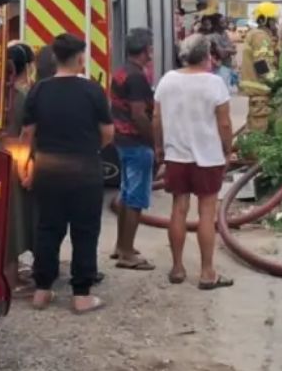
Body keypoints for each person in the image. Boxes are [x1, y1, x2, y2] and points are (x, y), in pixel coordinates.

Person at [20, 34, 114, 313]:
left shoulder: (39, 90)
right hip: (84, 170)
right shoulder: (92, 91)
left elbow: (27, 134)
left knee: (48, 228)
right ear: (81, 58)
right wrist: (89, 147)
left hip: (48, 169)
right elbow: (108, 133)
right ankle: (81, 294)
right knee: (85, 230)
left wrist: (28, 165)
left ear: (54, 58)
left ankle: (42, 290)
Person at [154, 34, 235, 290]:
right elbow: (224, 123)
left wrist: (159, 148)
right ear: (206, 55)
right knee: (206, 213)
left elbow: (156, 117)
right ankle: (207, 273)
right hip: (207, 157)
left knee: (178, 208)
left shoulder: (167, 80)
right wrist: (227, 150)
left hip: (176, 155)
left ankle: (177, 269)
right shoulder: (214, 84)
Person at [109, 29, 157, 271]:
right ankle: (128, 253)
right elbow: (139, 115)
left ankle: (121, 245)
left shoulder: (121, 71)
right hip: (136, 143)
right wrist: (155, 143)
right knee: (136, 198)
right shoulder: (137, 78)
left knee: (126, 194)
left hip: (121, 141)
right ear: (146, 49)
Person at [3, 42, 36, 296]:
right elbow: (27, 135)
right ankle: (12, 280)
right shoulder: (22, 96)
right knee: (13, 221)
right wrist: (28, 167)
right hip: (16, 161)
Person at [238, 2, 279, 133]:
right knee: (259, 129)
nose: (275, 23)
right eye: (273, 20)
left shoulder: (256, 35)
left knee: (253, 126)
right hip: (260, 89)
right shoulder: (260, 36)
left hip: (257, 90)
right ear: (263, 20)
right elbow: (261, 63)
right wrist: (276, 82)